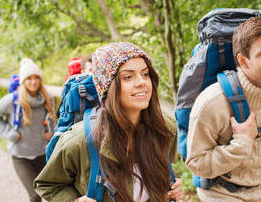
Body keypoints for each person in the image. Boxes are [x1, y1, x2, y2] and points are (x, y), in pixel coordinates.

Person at [34, 42, 183, 202]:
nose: (141, 82)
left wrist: (172, 190)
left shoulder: (165, 129)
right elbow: (47, 184)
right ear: (108, 87)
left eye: (145, 74)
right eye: (128, 77)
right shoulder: (79, 141)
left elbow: (168, 172)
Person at [185, 17, 261, 202]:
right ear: (243, 60)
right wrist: (241, 144)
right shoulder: (213, 102)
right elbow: (196, 163)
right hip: (220, 193)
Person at [0, 58, 55, 202]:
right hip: (21, 156)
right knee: (34, 195)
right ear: (23, 81)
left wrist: (52, 133)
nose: (33, 81)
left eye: (36, 77)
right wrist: (10, 134)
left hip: (42, 153)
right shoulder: (12, 100)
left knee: (48, 191)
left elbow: (52, 119)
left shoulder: (47, 98)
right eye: (29, 78)